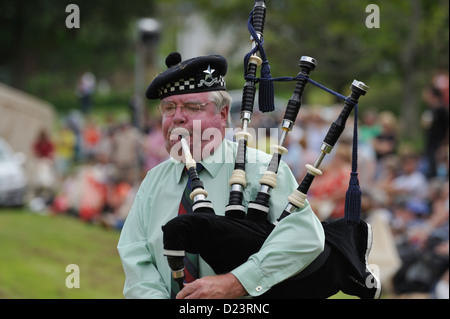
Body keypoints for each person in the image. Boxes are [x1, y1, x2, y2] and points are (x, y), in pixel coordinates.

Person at [117, 53, 325, 299]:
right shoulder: (154, 180)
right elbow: (136, 256)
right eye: (169, 108)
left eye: (193, 107)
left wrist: (236, 282)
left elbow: (304, 235)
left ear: (223, 114)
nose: (178, 117)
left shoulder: (261, 169)